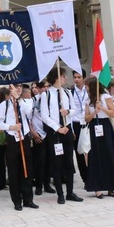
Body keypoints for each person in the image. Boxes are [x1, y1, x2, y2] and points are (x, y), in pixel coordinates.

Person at [40, 66, 84, 204]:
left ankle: (70, 192)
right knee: (57, 164)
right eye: (64, 76)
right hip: (55, 133)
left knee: (69, 163)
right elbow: (44, 116)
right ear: (57, 78)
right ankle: (60, 193)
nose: (66, 78)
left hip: (67, 131)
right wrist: (58, 127)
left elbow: (75, 109)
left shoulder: (67, 92)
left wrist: (68, 112)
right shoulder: (46, 95)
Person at [0, 84, 38, 211]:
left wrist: (19, 99)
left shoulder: (26, 102)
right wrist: (10, 127)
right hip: (12, 139)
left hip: (24, 138)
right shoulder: (5, 105)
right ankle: (17, 200)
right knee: (14, 171)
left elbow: (28, 114)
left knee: (27, 169)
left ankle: (28, 199)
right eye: (15, 87)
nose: (17, 89)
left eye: (19, 87)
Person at [84, 77, 114, 198]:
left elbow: (112, 113)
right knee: (96, 156)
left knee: (109, 154)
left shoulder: (105, 97)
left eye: (88, 86)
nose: (86, 88)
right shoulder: (88, 99)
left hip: (105, 125)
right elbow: (86, 118)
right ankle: (97, 187)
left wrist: (102, 108)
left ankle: (111, 186)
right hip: (94, 125)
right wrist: (94, 112)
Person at [70, 70, 90, 182]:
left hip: (88, 122)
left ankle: (92, 175)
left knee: (90, 150)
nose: (77, 79)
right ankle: (85, 178)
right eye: (75, 77)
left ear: (84, 78)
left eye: (79, 77)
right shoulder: (70, 91)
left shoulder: (88, 91)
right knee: (80, 152)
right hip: (76, 124)